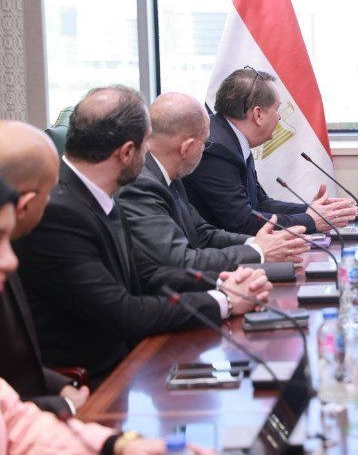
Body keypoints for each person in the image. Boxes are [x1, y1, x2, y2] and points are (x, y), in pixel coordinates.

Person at [12, 86, 271, 385]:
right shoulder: (58, 213)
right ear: (126, 153)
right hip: (93, 381)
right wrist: (223, 301)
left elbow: (147, 275)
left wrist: (223, 283)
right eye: (146, 142)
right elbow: (124, 312)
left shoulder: (99, 194)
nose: (150, 152)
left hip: (132, 362)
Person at [0, 176, 211, 454]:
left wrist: (120, 445)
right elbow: (124, 313)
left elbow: (16, 422)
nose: (10, 260)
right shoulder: (64, 216)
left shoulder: (108, 203)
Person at [119, 92, 310, 274]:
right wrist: (259, 251)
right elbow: (180, 261)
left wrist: (257, 242)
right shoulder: (141, 186)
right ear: (187, 148)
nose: (205, 150)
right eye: (204, 143)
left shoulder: (168, 174)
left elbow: (202, 234)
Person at [183, 67, 358, 236]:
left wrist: (312, 211)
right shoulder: (217, 150)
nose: (279, 117)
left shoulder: (233, 137)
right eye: (276, 109)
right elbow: (242, 222)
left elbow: (260, 203)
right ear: (258, 114)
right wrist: (310, 220)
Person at [0, 121, 90, 418]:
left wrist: (62, 388)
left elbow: (17, 365)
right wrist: (64, 405)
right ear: (25, 204)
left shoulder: (10, 248)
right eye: (50, 192)